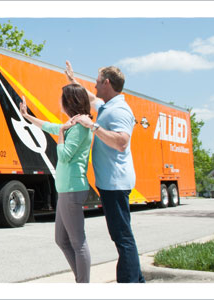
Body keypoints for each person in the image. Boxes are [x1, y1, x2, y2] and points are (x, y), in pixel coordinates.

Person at [65, 61, 145, 283]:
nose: (95, 85)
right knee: (122, 235)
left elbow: (121, 142)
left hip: (116, 183)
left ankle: (129, 283)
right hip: (110, 182)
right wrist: (73, 80)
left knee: (122, 238)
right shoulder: (108, 105)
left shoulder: (119, 110)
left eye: (98, 81)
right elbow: (91, 98)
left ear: (107, 82)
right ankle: (137, 282)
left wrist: (93, 127)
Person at [19, 84, 93, 283]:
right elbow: (48, 126)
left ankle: (83, 284)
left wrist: (60, 134)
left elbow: (64, 155)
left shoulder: (79, 128)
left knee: (78, 242)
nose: (59, 101)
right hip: (65, 190)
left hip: (73, 189)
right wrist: (26, 116)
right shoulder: (72, 124)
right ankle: (81, 279)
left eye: (62, 98)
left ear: (70, 101)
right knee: (61, 239)